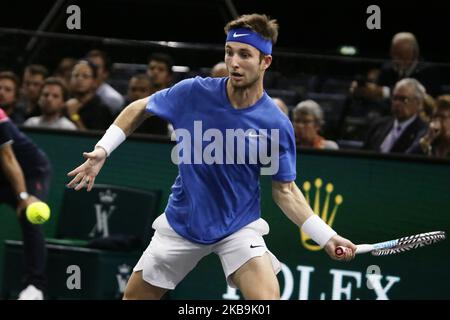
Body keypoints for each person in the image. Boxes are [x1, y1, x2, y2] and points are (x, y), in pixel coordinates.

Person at [66, 14, 356, 300]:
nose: (234, 62)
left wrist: (326, 237)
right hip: (182, 222)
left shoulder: (276, 125)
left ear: (265, 61)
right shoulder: (194, 92)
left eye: (245, 54)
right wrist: (103, 149)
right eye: (230, 52)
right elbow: (141, 107)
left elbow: (286, 192)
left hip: (238, 227)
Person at [0, 107, 52, 300]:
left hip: (31, 171)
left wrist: (23, 196)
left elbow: (8, 158)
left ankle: (35, 286)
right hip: (3, 174)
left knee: (30, 218)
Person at [364, 78, 428, 154]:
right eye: (395, 98)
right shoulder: (378, 126)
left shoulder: (422, 132)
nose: (397, 103)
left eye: (404, 99)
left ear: (418, 103)